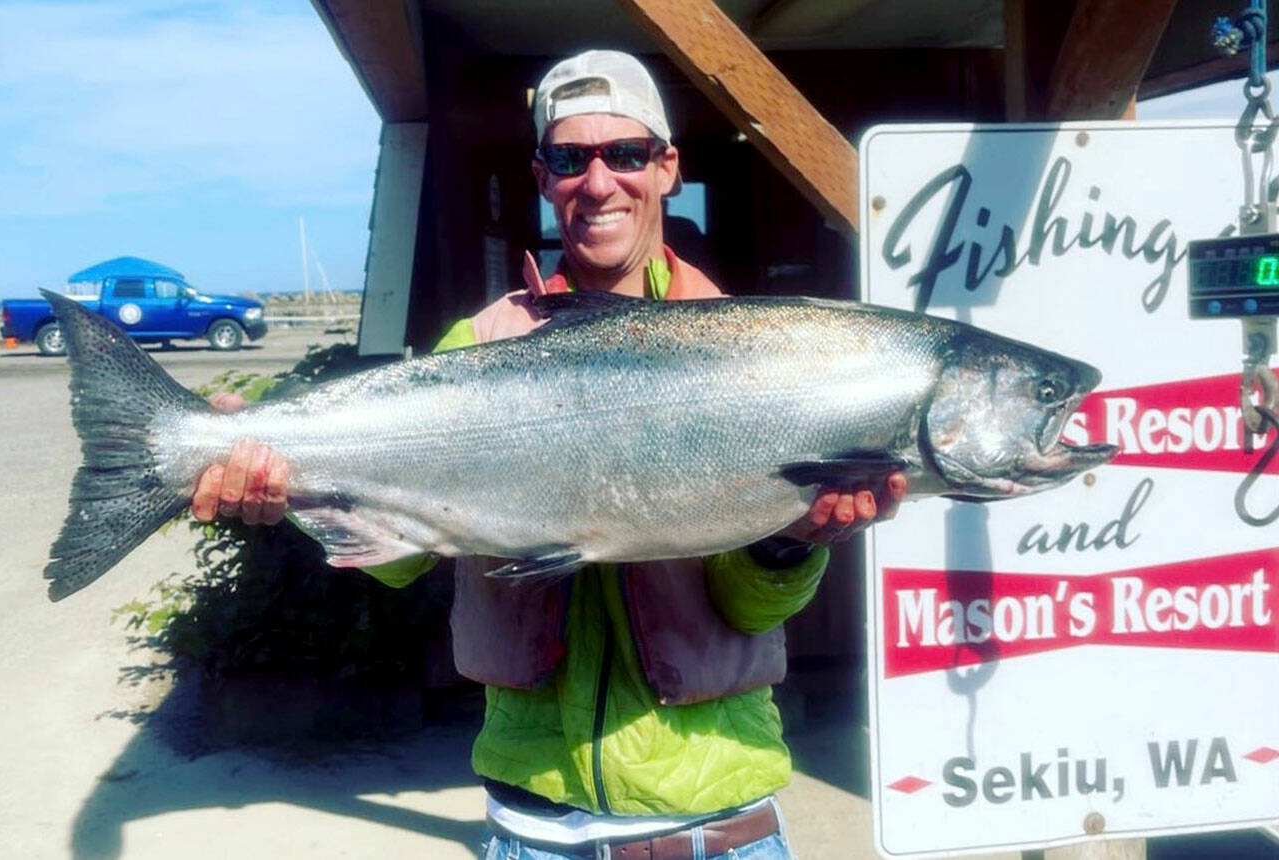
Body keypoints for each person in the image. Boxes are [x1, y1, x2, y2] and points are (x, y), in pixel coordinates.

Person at [194, 49, 906, 860]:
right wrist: (287, 487)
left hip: (723, 831)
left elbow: (750, 611)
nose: (598, 182)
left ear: (667, 168)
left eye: (626, 154)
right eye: (572, 158)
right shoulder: (480, 345)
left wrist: (789, 539)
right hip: (532, 834)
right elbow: (397, 563)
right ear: (543, 176)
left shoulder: (757, 358)